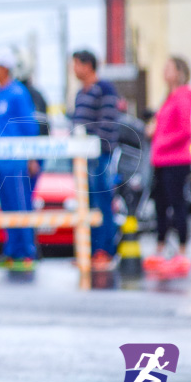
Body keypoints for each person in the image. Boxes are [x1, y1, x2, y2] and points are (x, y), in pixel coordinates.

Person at [0, 51, 39, 271]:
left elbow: (29, 126)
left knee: (21, 205)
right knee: (7, 207)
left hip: (17, 161)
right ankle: (12, 250)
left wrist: (31, 156)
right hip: (0, 162)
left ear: (5, 68)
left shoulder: (17, 93)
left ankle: (26, 251)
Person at [145, 56, 191, 278]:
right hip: (161, 160)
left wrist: (160, 140)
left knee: (178, 205)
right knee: (160, 205)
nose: (164, 71)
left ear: (179, 72)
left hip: (176, 159)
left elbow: (185, 131)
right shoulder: (168, 98)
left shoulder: (183, 96)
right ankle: (160, 249)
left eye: (169, 68)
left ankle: (183, 253)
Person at [71, 49, 121, 271]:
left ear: (87, 65)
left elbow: (108, 121)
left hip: (98, 155)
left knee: (102, 202)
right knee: (87, 204)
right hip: (82, 157)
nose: (74, 70)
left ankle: (105, 251)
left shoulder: (105, 89)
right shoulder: (80, 93)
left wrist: (97, 148)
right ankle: (89, 250)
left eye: (76, 64)